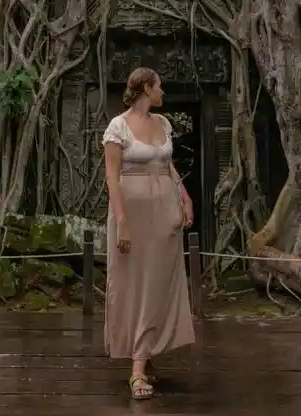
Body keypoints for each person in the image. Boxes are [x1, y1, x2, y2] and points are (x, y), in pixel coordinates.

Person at [102, 67, 195, 401]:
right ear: (145, 88)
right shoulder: (118, 127)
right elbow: (112, 177)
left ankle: (146, 355)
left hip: (165, 211)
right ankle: (137, 368)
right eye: (159, 87)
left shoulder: (163, 123)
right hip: (133, 214)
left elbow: (167, 165)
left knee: (158, 283)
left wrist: (184, 196)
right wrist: (122, 222)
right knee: (134, 284)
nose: (163, 92)